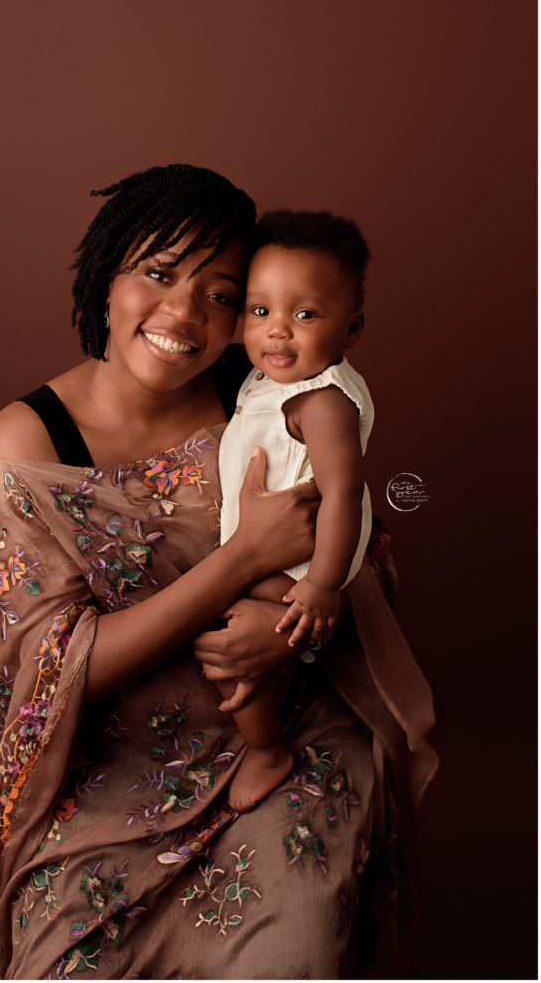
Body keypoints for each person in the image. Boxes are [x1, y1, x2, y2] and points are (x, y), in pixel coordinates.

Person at [0, 164, 437, 980]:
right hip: (106, 777)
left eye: (220, 293)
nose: (184, 313)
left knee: (288, 955)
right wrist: (242, 561)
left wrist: (288, 632)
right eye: (159, 274)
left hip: (287, 733)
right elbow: (47, 673)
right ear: (107, 277)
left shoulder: (265, 389)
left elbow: (369, 543)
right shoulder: (30, 445)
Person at [215, 210, 375, 813]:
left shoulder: (323, 401)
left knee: (229, 641)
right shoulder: (265, 383)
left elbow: (343, 494)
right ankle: (265, 716)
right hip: (264, 552)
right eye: (260, 312)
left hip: (301, 568)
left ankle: (266, 751)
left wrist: (325, 587)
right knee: (235, 643)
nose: (278, 331)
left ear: (351, 327)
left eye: (304, 314)